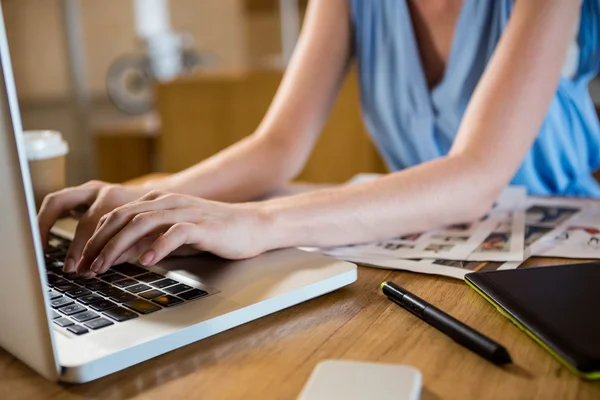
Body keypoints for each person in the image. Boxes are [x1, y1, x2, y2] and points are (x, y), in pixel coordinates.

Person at [38, 0, 599, 278]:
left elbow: (475, 175)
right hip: (432, 257)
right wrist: (161, 195)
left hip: (558, 263)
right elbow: (279, 144)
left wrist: (259, 223)